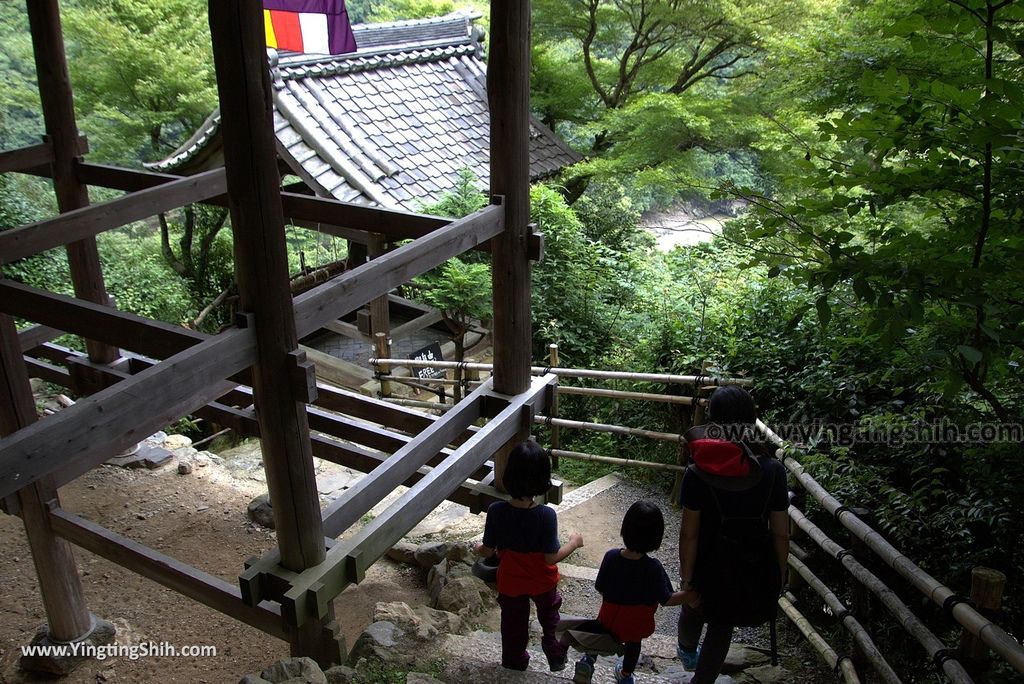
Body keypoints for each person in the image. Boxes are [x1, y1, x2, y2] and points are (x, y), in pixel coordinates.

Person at [677, 385, 789, 683]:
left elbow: (689, 534)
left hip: (707, 563)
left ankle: (687, 650)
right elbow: (780, 532)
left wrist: (686, 579)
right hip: (752, 561)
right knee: (722, 623)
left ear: (713, 422)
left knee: (695, 605)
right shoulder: (773, 471)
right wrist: (780, 572)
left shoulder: (696, 471)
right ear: (751, 421)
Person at [475, 440, 583, 672]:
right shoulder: (546, 516)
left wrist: (477, 549)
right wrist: (574, 543)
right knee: (550, 617)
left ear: (509, 474)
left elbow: (487, 550)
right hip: (542, 582)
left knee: (513, 624)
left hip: (511, 581)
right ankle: (554, 652)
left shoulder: (496, 511)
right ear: (543, 480)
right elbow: (550, 558)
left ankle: (514, 661)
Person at [567, 500, 692, 684]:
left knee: (598, 636)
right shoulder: (653, 568)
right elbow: (667, 599)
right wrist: (691, 595)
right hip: (636, 624)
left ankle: (588, 662)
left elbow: (600, 587)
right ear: (656, 536)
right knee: (634, 644)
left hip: (609, 618)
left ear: (625, 528)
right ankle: (625, 675)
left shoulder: (611, 557)